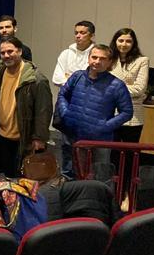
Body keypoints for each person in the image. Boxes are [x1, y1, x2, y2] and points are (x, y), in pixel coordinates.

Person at [54, 43, 132, 177]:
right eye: (94, 57)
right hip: (72, 134)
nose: (97, 61)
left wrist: (105, 126)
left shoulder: (117, 85)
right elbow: (62, 94)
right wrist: (66, 113)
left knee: (99, 177)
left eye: (102, 59)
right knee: (71, 173)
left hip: (99, 140)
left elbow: (127, 112)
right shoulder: (77, 76)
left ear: (110, 62)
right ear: (88, 58)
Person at [0, 35, 53, 178]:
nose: (6, 55)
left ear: (19, 51)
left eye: (10, 51)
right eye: (3, 53)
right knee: (9, 175)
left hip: (24, 139)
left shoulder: (36, 80)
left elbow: (43, 111)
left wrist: (39, 138)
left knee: (25, 179)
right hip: (3, 135)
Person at [110, 28, 150, 207]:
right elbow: (102, 83)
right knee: (113, 158)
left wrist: (113, 87)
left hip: (133, 117)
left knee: (129, 159)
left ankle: (128, 194)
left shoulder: (142, 61)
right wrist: (126, 85)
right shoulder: (109, 59)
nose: (124, 44)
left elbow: (140, 90)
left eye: (128, 41)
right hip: (111, 114)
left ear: (133, 43)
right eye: (121, 40)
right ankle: (114, 194)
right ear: (115, 41)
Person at [52, 21, 96, 177]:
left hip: (87, 105)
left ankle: (84, 177)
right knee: (66, 144)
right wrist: (77, 79)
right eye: (76, 32)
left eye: (83, 33)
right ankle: (66, 175)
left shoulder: (95, 55)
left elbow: (91, 82)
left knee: (85, 145)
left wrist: (69, 77)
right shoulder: (66, 53)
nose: (78, 35)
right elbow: (57, 78)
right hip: (67, 104)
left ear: (92, 35)